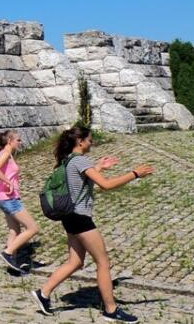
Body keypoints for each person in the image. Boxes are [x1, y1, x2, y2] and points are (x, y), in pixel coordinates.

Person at [31, 126, 154, 322]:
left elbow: (79, 181)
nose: (92, 142)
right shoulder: (80, 160)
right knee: (103, 262)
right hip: (80, 218)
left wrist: (98, 168)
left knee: (76, 262)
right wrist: (134, 174)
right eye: (89, 139)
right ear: (80, 141)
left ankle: (43, 294)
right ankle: (111, 310)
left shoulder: (70, 160)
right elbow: (106, 185)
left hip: (70, 216)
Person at [0, 130, 39, 272]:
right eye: (18, 140)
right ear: (10, 141)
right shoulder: (5, 154)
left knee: (14, 231)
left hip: (3, 198)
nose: (20, 142)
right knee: (33, 228)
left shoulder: (4, 153)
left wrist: (1, 184)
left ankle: (12, 264)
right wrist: (8, 183)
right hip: (10, 199)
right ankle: (8, 253)